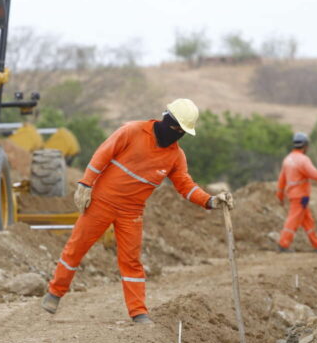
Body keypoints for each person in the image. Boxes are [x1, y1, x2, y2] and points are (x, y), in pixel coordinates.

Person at [40, 98, 233, 326]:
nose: (177, 134)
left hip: (131, 212)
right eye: (176, 128)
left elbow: (185, 185)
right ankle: (55, 292)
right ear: (166, 120)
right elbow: (103, 154)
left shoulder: (175, 156)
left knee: (131, 262)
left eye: (182, 131)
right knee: (76, 248)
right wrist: (85, 184)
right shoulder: (132, 131)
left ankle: (138, 311)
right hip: (101, 201)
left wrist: (210, 201)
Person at [275, 132, 317, 253]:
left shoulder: (287, 159)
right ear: (305, 145)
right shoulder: (303, 160)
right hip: (301, 196)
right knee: (293, 220)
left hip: (294, 195)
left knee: (308, 221)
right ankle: (283, 244)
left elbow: (281, 180)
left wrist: (280, 195)